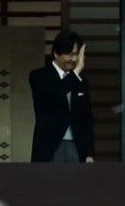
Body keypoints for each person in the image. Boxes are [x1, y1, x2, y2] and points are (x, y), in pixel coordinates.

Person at [28, 30, 95, 163]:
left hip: (76, 146)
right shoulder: (39, 76)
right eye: (69, 54)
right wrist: (76, 72)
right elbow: (56, 93)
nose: (74, 59)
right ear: (56, 53)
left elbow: (86, 118)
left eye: (76, 54)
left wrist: (89, 153)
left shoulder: (81, 81)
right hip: (50, 146)